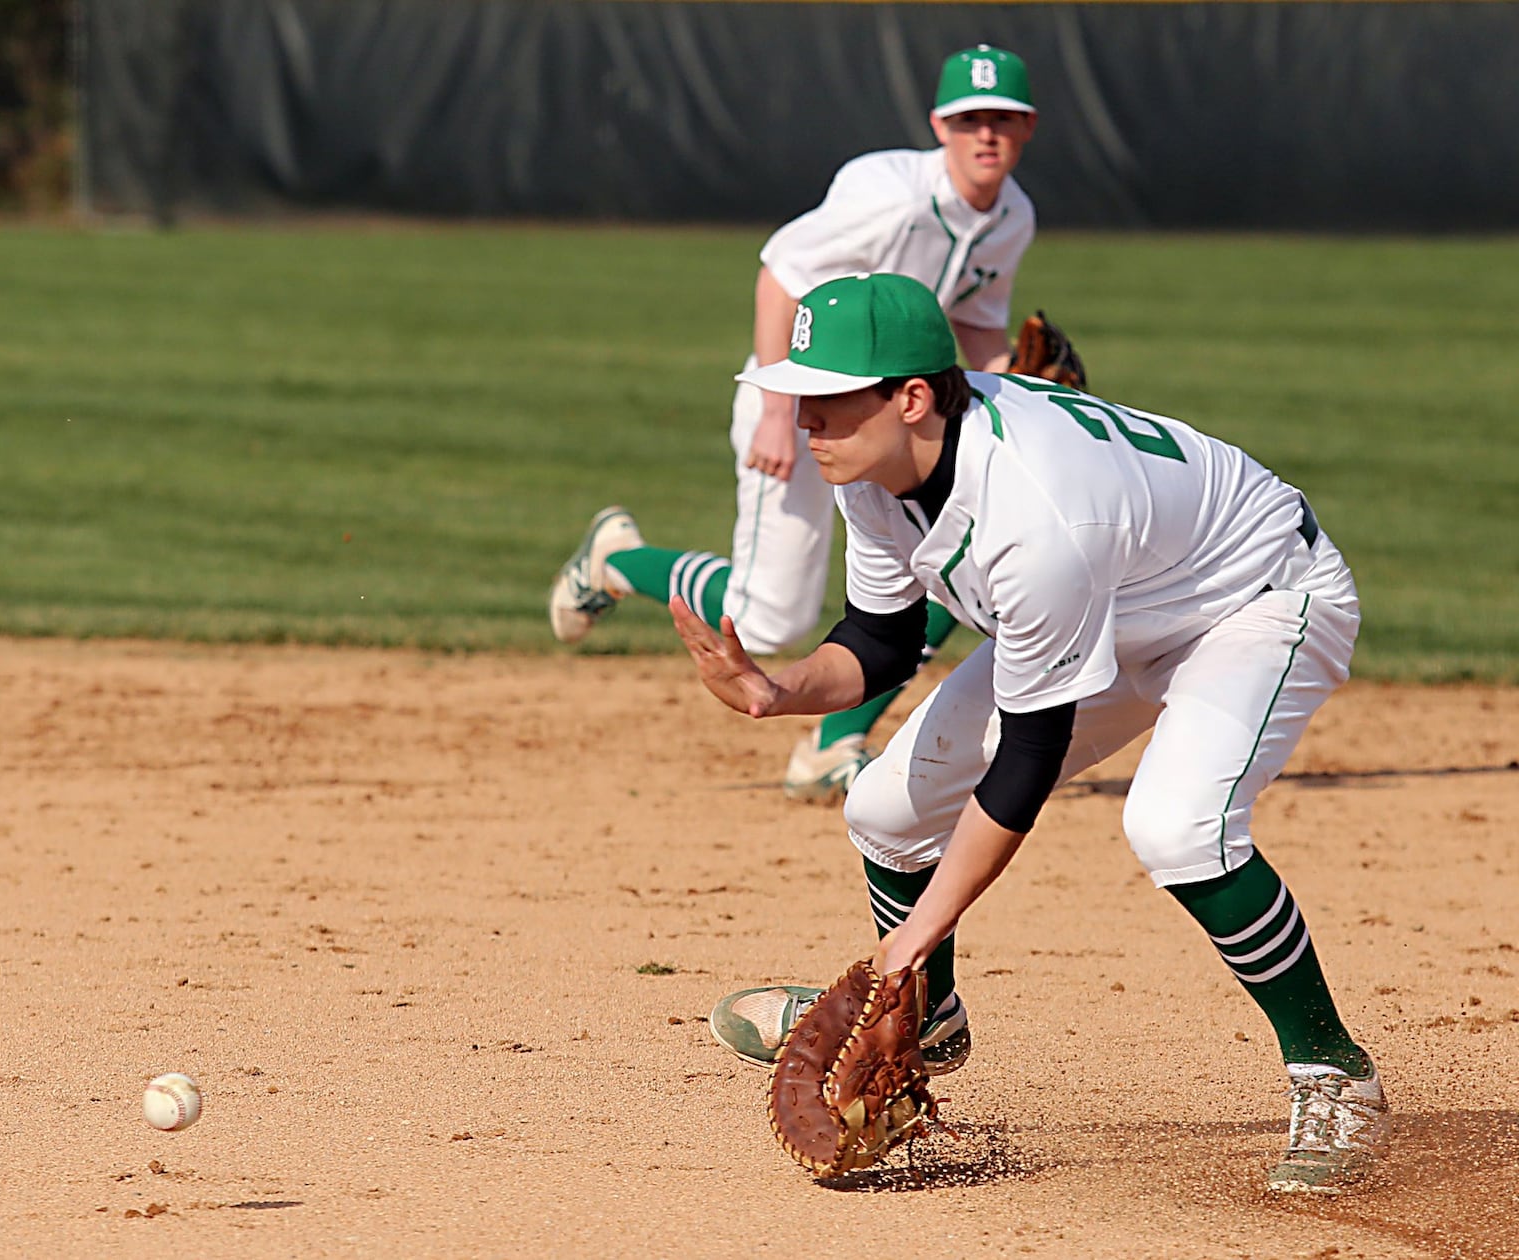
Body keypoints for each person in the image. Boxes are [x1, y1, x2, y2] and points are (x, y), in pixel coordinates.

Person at [682, 272, 1389, 1195]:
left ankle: (1335, 1074)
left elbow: (1027, 762)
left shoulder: (1032, 515)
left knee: (1178, 828)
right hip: (1122, 600)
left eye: (827, 399)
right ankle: (928, 1016)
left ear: (913, 397)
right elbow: (880, 639)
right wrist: (778, 690)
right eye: (800, 396)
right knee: (887, 808)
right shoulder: (877, 465)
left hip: (1254, 600)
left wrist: (901, 949)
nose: (805, 419)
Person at [550, 44, 1042, 802]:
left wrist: (1025, 394)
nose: (987, 135)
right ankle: (620, 561)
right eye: (971, 119)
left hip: (890, 416)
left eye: (1003, 120)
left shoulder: (1011, 217)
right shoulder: (889, 194)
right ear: (940, 125)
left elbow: (976, 328)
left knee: (955, 561)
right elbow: (780, 276)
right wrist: (780, 415)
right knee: (768, 620)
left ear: (1027, 129)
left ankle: (833, 742)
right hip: (803, 407)